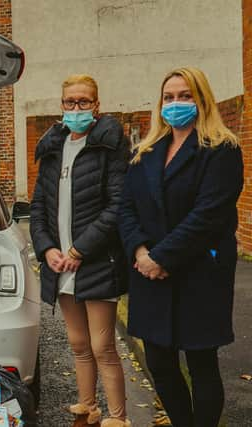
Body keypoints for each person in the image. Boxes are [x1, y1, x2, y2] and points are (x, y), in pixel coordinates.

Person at [118, 67, 243, 427]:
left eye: (185, 96)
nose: (175, 104)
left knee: (201, 363)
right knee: (159, 362)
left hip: (198, 272)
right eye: (169, 97)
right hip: (149, 273)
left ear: (202, 99)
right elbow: (126, 208)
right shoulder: (146, 151)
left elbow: (210, 214)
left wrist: (162, 256)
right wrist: (141, 253)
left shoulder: (221, 149)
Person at [30, 75, 131, 427]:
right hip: (61, 263)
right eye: (70, 102)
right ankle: (87, 406)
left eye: (83, 102)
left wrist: (79, 249)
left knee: (103, 345)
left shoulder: (110, 146)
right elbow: (38, 207)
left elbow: (117, 206)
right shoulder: (53, 148)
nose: (76, 108)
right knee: (77, 342)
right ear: (61, 106)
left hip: (97, 260)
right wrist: (47, 250)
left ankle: (118, 417)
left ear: (97, 105)